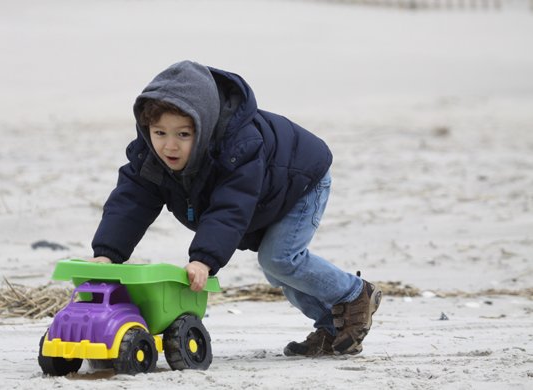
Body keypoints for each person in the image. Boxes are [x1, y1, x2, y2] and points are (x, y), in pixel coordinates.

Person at [89, 60, 382, 356]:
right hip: (268, 193)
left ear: (203, 128)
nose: (169, 146)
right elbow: (131, 202)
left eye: (183, 134)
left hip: (300, 180)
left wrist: (203, 259)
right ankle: (332, 327)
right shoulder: (151, 158)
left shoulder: (238, 148)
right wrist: (106, 254)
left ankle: (355, 294)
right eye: (159, 132)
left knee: (280, 259)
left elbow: (231, 206)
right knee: (277, 269)